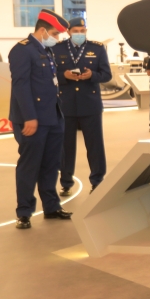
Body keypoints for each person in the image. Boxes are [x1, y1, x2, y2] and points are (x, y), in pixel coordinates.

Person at [8, 8, 72, 230]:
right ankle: (24, 212)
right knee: (29, 166)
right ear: (43, 30)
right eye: (55, 34)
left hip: (53, 117)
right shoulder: (22, 51)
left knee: (50, 165)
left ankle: (51, 207)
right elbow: (21, 86)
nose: (57, 38)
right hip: (33, 119)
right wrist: (29, 117)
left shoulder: (45, 50)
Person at [53, 17, 111, 197]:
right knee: (65, 146)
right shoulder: (57, 48)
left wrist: (92, 75)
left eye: (82, 31)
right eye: (76, 31)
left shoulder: (97, 48)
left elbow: (106, 74)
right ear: (68, 32)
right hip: (66, 104)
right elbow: (50, 74)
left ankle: (97, 181)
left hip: (90, 104)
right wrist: (64, 76)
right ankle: (66, 181)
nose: (79, 34)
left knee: (95, 145)